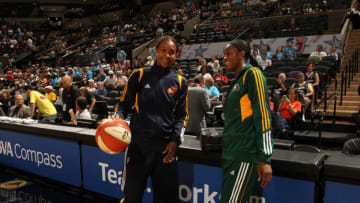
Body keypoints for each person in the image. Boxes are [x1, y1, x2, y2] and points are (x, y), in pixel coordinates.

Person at [115, 36, 188, 203]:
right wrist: (117, 118)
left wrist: (175, 141)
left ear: (175, 55)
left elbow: (182, 116)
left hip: (164, 151)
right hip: (137, 148)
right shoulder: (139, 75)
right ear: (156, 52)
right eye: (163, 51)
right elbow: (123, 105)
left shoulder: (180, 82)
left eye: (172, 52)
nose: (167, 55)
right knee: (132, 198)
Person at [221, 39, 273, 203]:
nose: (225, 58)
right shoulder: (237, 81)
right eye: (224, 55)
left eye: (229, 53)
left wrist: (265, 158)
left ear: (242, 53)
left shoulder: (253, 74)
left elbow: (263, 116)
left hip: (244, 154)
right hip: (231, 154)